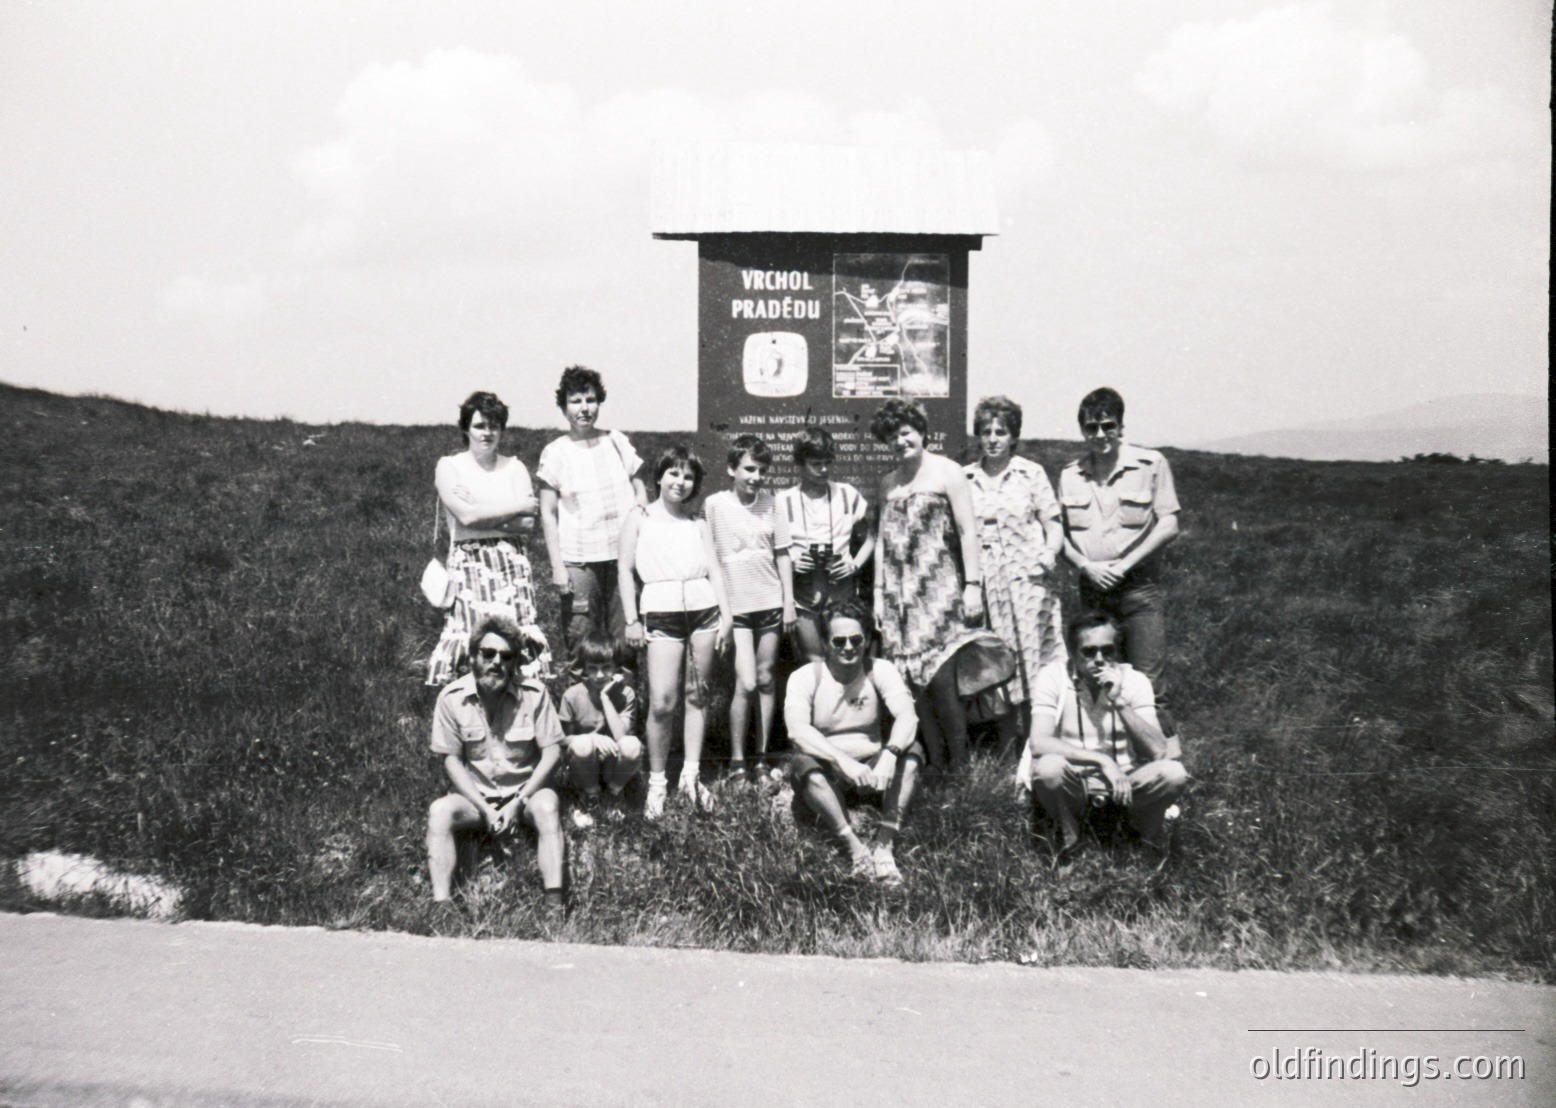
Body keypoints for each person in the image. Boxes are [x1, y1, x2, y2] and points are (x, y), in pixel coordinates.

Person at [1058, 387, 1182, 743]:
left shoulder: (1151, 464)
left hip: (1138, 591)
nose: (1100, 436)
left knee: (1149, 685)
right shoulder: (1070, 475)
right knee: (1097, 679)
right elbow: (1057, 533)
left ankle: (1167, 769)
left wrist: (1125, 564)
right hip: (1093, 593)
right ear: (1082, 430)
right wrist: (1084, 565)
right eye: (1091, 428)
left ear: (1121, 426)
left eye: (1107, 426)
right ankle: (1110, 760)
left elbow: (1169, 523)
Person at [426, 614, 566, 922]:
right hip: (476, 800)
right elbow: (450, 760)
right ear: (473, 656)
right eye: (488, 654)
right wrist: (486, 809)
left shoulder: (535, 694)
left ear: (515, 662)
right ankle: (441, 909)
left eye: (506, 656)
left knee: (547, 805)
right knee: (440, 811)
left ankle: (554, 907)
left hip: (524, 794)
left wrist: (518, 803)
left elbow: (552, 753)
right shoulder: (451, 700)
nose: (496, 662)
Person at [618, 445, 733, 818]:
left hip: (703, 611)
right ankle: (656, 783)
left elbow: (715, 570)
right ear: (659, 476)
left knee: (698, 695)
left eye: (688, 476)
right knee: (663, 702)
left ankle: (690, 776)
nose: (680, 482)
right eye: (673, 473)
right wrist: (632, 619)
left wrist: (726, 616)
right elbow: (624, 572)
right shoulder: (639, 518)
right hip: (661, 611)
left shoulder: (697, 523)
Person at [1018, 612, 1188, 861]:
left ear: (1118, 651)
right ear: (1072, 651)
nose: (1099, 660)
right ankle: (1070, 844)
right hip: (1075, 784)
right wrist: (1102, 761)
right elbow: (1039, 742)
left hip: (1126, 784)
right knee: (1048, 768)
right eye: (1089, 651)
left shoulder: (1134, 681)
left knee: (1174, 774)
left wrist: (1119, 701)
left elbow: (1159, 751)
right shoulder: (1053, 676)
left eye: (1107, 651)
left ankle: (1141, 841)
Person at [870, 399, 984, 769]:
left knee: (942, 684)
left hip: (939, 593)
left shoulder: (949, 472)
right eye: (891, 437)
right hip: (898, 599)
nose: (900, 442)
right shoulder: (888, 482)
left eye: (905, 433)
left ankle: (960, 768)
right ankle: (934, 765)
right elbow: (882, 544)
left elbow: (968, 532)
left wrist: (973, 585)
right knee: (912, 689)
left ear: (921, 432)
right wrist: (877, 594)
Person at [784, 600, 921, 886]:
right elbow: (797, 731)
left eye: (856, 639)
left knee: (912, 754)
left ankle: (885, 845)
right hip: (831, 770)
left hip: (874, 769)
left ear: (868, 640)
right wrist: (841, 761)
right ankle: (855, 849)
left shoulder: (880, 670)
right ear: (824, 643)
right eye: (839, 640)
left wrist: (890, 755)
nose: (848, 647)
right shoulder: (806, 677)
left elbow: (908, 716)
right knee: (803, 764)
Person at [427, 391, 550, 686]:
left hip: (512, 567)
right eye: (480, 425)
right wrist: (515, 506)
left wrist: (480, 509)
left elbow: (528, 523)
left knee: (513, 638)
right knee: (474, 637)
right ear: (466, 429)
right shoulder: (450, 466)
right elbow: (465, 518)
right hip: (468, 565)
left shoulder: (515, 467)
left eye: (494, 426)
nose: (488, 433)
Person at [965, 396, 1066, 749]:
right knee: (1000, 666)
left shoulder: (1030, 473)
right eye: (986, 431)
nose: (993, 438)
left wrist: (1048, 553)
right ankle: (1010, 751)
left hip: (1027, 582)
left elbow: (1053, 524)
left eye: (1001, 432)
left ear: (1013, 436)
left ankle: (1046, 746)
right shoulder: (966, 478)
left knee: (1036, 662)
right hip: (988, 584)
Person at [537, 366, 647, 659]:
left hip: (624, 562)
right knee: (582, 646)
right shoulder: (555, 452)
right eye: (576, 401)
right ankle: (580, 705)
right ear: (564, 407)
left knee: (626, 646)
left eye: (590, 400)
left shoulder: (617, 441)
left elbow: (640, 494)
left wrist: (642, 541)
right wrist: (558, 567)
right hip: (580, 562)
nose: (584, 408)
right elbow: (548, 513)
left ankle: (624, 705)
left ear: (599, 402)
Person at [705, 434, 796, 784]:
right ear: (732, 469)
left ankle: (760, 756)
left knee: (766, 678)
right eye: (748, 469)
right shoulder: (714, 505)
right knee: (745, 681)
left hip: (769, 602)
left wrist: (788, 601)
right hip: (736, 606)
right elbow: (711, 557)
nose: (755, 476)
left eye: (761, 470)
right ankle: (737, 758)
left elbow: (783, 553)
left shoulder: (773, 504)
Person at [776, 427, 874, 663]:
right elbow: (775, 549)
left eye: (827, 462)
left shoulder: (847, 494)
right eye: (816, 463)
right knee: (813, 661)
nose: (824, 469)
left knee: (844, 658)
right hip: (804, 594)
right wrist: (794, 562)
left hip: (840, 591)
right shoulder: (783, 500)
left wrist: (854, 564)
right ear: (800, 464)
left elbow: (873, 535)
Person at [560, 631, 642, 827]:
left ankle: (614, 793)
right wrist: (591, 737)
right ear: (584, 669)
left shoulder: (625, 693)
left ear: (616, 668)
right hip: (585, 763)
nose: (599, 675)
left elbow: (621, 735)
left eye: (606, 668)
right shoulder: (572, 695)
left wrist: (606, 698)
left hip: (613, 764)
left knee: (632, 744)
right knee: (581, 743)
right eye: (592, 669)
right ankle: (590, 797)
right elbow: (561, 740)